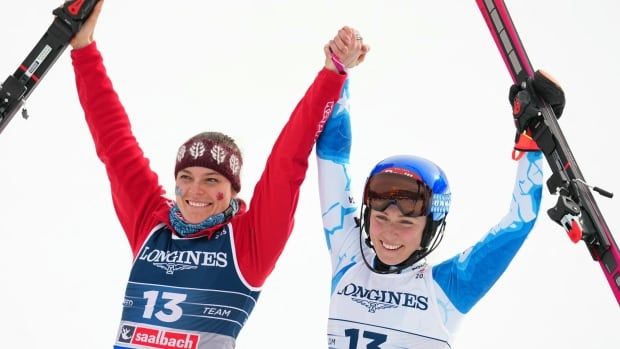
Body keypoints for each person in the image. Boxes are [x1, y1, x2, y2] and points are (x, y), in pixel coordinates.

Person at [68, 2, 369, 348]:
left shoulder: (248, 243)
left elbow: (288, 161)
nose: (195, 190)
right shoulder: (151, 223)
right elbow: (115, 144)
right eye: (186, 177)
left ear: (231, 189)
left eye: (212, 180)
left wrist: (331, 74)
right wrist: (83, 47)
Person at [315, 69, 565, 348]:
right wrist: (339, 71)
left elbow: (518, 223)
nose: (390, 233)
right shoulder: (349, 255)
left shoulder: (445, 290)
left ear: (430, 228)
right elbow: (333, 156)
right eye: (382, 217)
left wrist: (531, 140)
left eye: (406, 223)